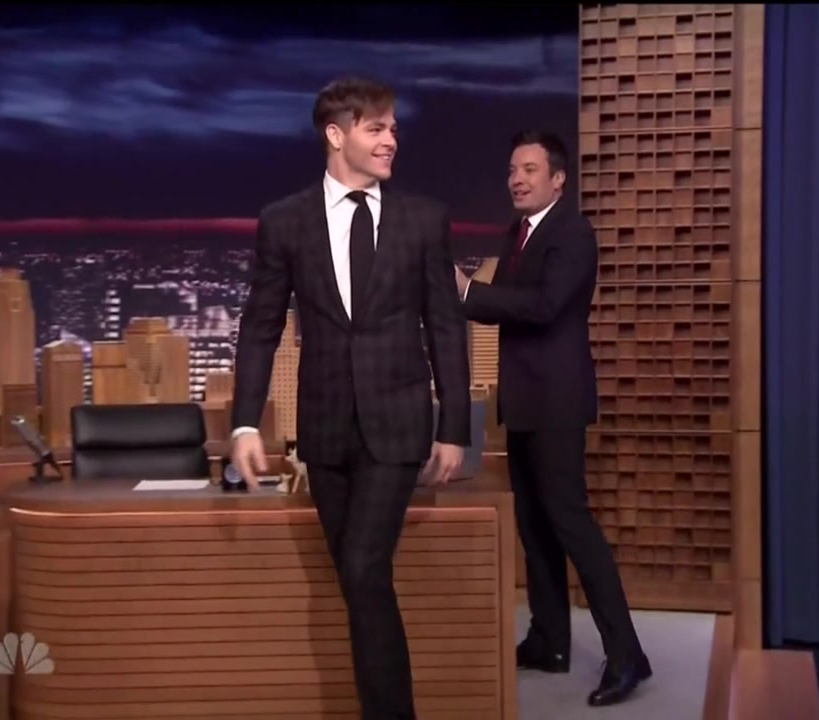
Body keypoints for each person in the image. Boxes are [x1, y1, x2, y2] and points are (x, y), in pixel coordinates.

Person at [229, 76, 472, 720]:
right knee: (359, 581)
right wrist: (244, 423)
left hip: (398, 426)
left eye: (393, 128)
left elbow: (446, 325)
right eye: (377, 128)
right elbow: (260, 325)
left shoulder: (423, 219)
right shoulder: (285, 221)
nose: (392, 140)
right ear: (336, 136)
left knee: (363, 570)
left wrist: (454, 426)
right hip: (328, 429)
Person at [454, 130, 651, 707]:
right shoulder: (519, 232)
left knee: (571, 524)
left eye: (530, 170)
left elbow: (542, 307)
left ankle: (628, 655)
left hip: (557, 404)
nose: (516, 180)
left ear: (558, 179)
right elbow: (508, 311)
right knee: (534, 526)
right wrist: (470, 296)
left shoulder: (573, 233)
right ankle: (549, 640)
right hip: (523, 402)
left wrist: (468, 291)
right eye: (512, 170)